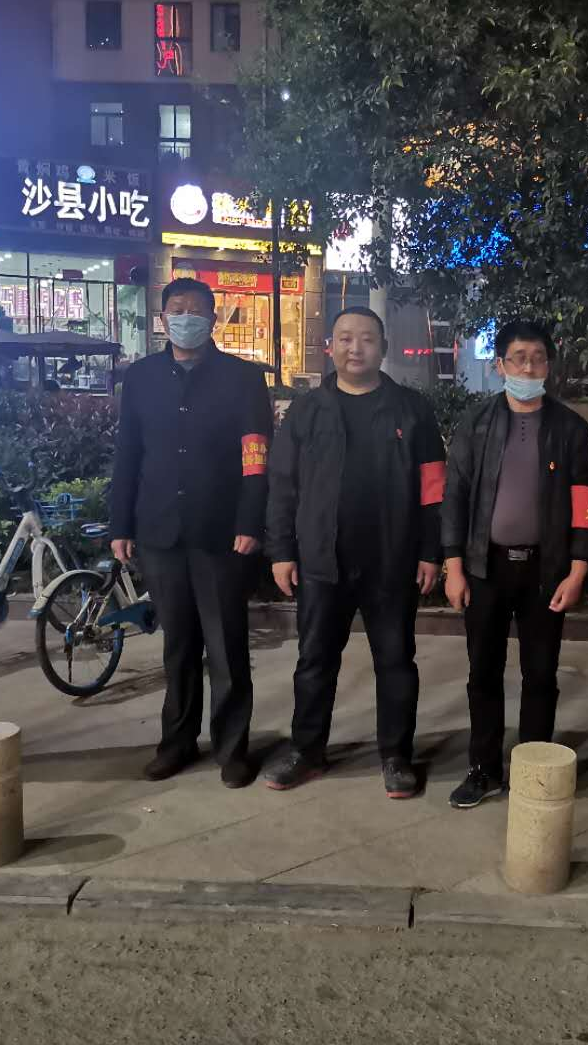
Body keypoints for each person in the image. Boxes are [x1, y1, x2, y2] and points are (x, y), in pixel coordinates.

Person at [264, 307, 446, 798]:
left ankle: (396, 756)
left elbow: (433, 488)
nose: (355, 347)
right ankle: (307, 751)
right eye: (345, 338)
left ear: (382, 347)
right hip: (322, 561)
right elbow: (282, 485)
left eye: (366, 338)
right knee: (314, 660)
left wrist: (431, 551)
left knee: (396, 661)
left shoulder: (412, 409)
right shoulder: (307, 410)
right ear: (330, 347)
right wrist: (281, 551)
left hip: (392, 560)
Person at [109, 277, 272, 787]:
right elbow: (128, 454)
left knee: (226, 647)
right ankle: (176, 743)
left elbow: (256, 456)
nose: (186, 318)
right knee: (177, 645)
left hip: (222, 534)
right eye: (176, 309)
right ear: (162, 320)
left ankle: (232, 749)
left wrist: (250, 521)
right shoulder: (141, 378)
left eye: (196, 310)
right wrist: (121, 524)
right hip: (159, 531)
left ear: (213, 319)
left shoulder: (243, 379)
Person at [441, 320, 588, 809]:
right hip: (485, 568)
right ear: (500, 365)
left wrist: (578, 569)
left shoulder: (570, 429)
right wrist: (454, 566)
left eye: (537, 358)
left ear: (548, 365)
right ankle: (483, 769)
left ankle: (534, 769)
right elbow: (455, 495)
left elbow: (587, 502)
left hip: (545, 572)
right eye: (518, 358)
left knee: (541, 675)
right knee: (483, 674)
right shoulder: (476, 423)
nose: (528, 367)